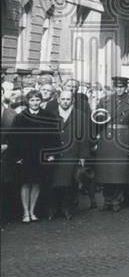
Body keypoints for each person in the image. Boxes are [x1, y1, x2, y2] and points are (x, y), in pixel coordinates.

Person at [93, 76, 129, 212]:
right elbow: (97, 121)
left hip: (124, 138)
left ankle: (116, 200)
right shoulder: (104, 100)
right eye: (117, 86)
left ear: (126, 87)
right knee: (106, 171)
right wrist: (96, 139)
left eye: (121, 87)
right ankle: (107, 199)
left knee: (120, 172)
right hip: (106, 138)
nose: (119, 89)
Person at [10, 90, 61, 223]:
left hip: (41, 155)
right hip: (25, 156)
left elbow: (54, 137)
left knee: (37, 183)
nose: (35, 103)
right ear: (28, 102)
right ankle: (25, 212)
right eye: (32, 100)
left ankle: (32, 211)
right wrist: (17, 156)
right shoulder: (20, 117)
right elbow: (14, 139)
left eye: (37, 100)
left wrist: (51, 154)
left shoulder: (48, 116)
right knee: (26, 183)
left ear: (41, 101)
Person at [47, 89, 91, 219]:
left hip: (72, 153)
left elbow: (84, 138)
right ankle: (53, 208)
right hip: (54, 154)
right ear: (59, 100)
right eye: (63, 99)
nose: (65, 102)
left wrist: (83, 156)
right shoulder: (51, 115)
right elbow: (46, 137)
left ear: (72, 100)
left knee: (69, 182)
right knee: (54, 183)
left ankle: (67, 208)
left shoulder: (81, 116)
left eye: (68, 99)